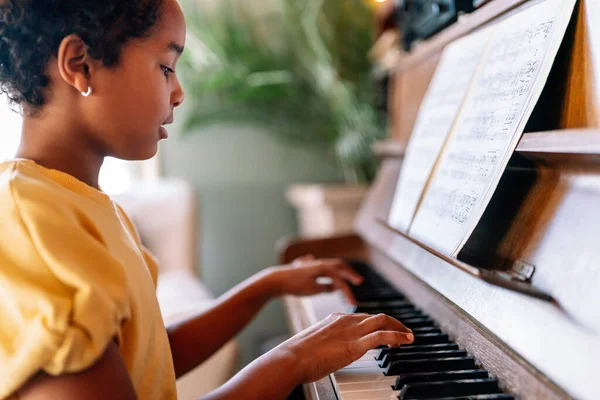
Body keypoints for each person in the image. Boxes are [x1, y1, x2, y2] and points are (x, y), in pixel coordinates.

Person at [0, 1, 414, 399]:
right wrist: (292, 359)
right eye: (165, 67)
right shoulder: (32, 221)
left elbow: (151, 358)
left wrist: (265, 287)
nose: (178, 92)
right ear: (79, 64)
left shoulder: (79, 204)